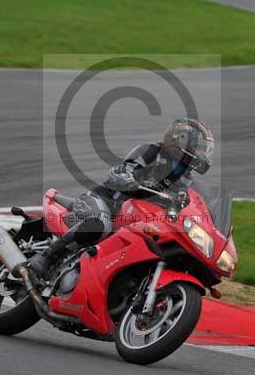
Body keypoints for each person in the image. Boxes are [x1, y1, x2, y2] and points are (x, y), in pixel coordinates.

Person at [30, 118, 215, 278]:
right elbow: (121, 171)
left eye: (203, 149)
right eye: (198, 147)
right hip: (107, 201)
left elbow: (195, 206)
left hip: (136, 219)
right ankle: (47, 256)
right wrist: (128, 178)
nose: (201, 153)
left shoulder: (186, 181)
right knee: (101, 224)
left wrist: (207, 218)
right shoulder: (151, 151)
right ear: (180, 139)